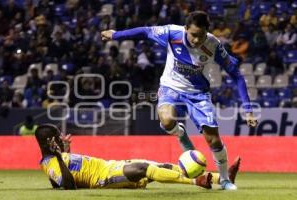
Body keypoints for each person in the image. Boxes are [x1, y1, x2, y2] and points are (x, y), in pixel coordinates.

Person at [101, 11, 257, 190]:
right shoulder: (171, 33)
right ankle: (180, 134)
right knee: (166, 120)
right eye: (193, 35)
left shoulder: (214, 45)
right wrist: (115, 35)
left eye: (201, 35)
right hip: (170, 88)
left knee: (213, 139)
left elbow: (236, 75)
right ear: (185, 29)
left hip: (198, 94)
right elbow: (144, 31)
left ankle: (224, 179)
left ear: (207, 31)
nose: (197, 40)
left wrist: (248, 109)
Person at [35, 124, 240, 190]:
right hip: (103, 178)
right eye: (58, 136)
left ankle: (222, 179)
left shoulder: (59, 157)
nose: (62, 137)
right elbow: (67, 186)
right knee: (143, 168)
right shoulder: (48, 163)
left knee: (163, 166)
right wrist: (59, 156)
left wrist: (65, 152)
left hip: (109, 166)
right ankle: (197, 181)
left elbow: (63, 178)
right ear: (49, 142)